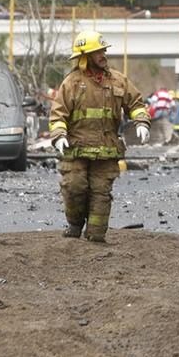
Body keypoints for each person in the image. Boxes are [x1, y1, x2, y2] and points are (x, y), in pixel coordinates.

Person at [49, 30, 150, 243]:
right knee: (75, 186)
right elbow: (58, 113)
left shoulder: (119, 80)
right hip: (76, 147)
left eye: (103, 50)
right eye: (97, 52)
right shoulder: (72, 82)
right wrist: (59, 135)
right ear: (85, 56)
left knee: (101, 193)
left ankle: (95, 235)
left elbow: (136, 104)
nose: (103, 55)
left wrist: (141, 122)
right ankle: (74, 224)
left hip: (106, 149)